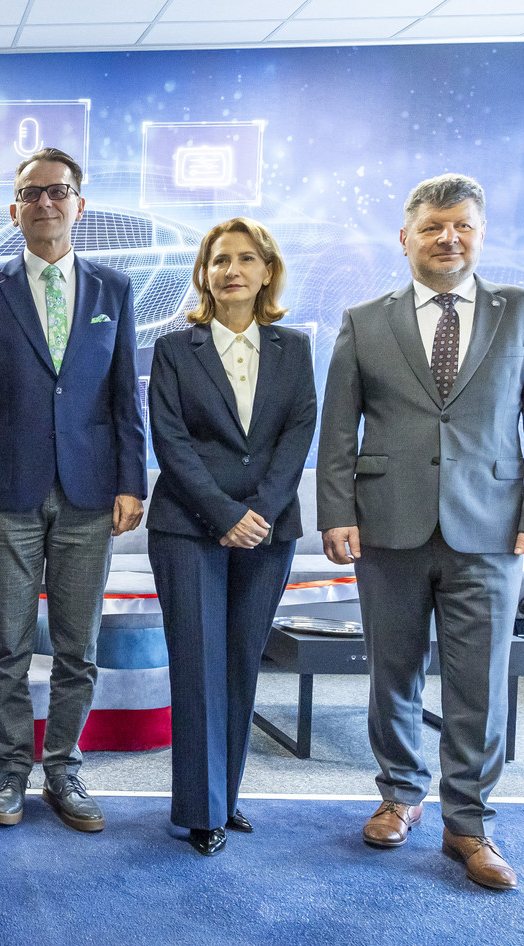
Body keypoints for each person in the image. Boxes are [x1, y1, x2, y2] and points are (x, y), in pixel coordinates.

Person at [318, 174, 524, 891]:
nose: (447, 239)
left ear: (481, 234)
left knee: (479, 683)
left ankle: (469, 822)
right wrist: (336, 511)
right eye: (432, 227)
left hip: (490, 530)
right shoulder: (363, 320)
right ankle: (400, 794)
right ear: (406, 238)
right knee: (391, 672)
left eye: (461, 226)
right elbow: (338, 428)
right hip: (387, 525)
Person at [0, 147, 147, 830]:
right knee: (6, 644)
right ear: (14, 210)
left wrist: (131, 481)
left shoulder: (114, 289)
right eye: (32, 193)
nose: (45, 203)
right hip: (7, 490)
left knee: (77, 646)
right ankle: (12, 767)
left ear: (78, 205)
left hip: (91, 492)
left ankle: (63, 767)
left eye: (58, 191)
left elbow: (124, 395)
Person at [146, 219, 317, 856]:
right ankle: (201, 810)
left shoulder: (294, 348)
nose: (232, 270)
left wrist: (259, 513)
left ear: (267, 271)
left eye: (246, 259)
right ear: (204, 272)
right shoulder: (174, 349)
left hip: (267, 531)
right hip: (188, 527)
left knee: (242, 661)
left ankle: (227, 794)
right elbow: (170, 441)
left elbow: (298, 434)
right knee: (198, 666)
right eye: (220, 260)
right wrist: (223, 515)